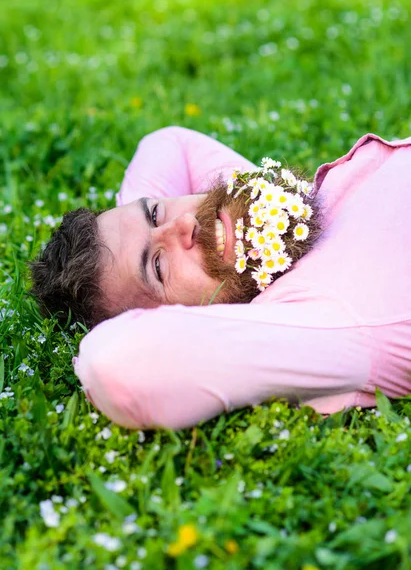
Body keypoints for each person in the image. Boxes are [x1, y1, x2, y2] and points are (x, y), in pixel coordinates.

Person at [31, 127, 411, 430]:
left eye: (157, 212)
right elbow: (115, 361)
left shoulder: (271, 230)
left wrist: (129, 235)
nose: (186, 223)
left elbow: (171, 142)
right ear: (180, 321)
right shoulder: (323, 323)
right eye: (159, 267)